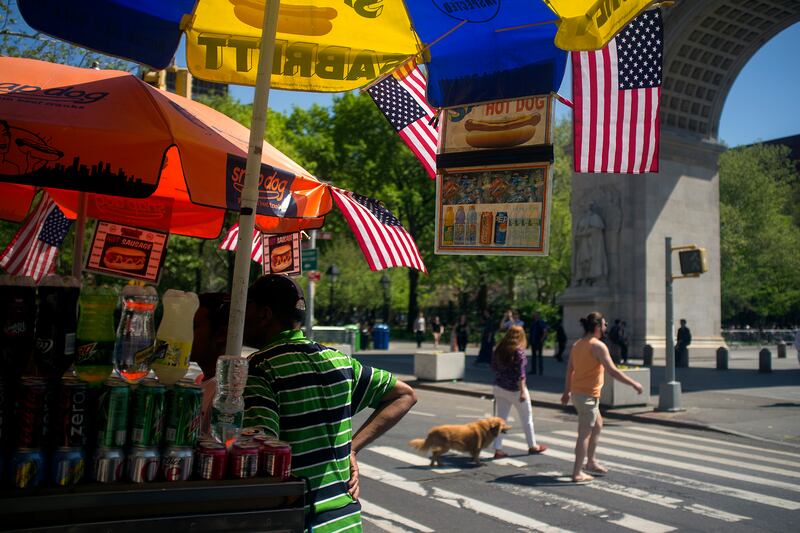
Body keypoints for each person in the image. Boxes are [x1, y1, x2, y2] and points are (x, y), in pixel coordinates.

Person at [242, 274, 417, 531]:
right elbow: (405, 394)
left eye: (247, 308)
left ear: (264, 314)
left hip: (298, 520)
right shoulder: (339, 360)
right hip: (346, 520)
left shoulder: (261, 368)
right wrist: (352, 449)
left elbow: (259, 449)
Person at [560, 312, 643, 483]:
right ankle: (577, 472)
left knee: (597, 424)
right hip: (587, 397)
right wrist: (634, 383)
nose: (606, 328)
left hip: (579, 394)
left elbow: (570, 370)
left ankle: (591, 462)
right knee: (584, 434)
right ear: (597, 327)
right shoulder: (597, 346)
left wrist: (567, 392)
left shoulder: (578, 344)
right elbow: (613, 371)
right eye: (604, 325)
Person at [491, 325, 548, 458]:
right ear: (522, 336)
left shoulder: (498, 349)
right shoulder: (518, 352)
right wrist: (522, 391)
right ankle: (532, 446)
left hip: (499, 387)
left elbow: (493, 368)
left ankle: (498, 449)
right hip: (516, 390)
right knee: (527, 419)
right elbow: (521, 374)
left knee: (501, 420)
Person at [190, 292, 231, 435]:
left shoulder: (224, 393)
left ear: (221, 335)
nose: (185, 333)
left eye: (194, 326)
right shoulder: (201, 380)